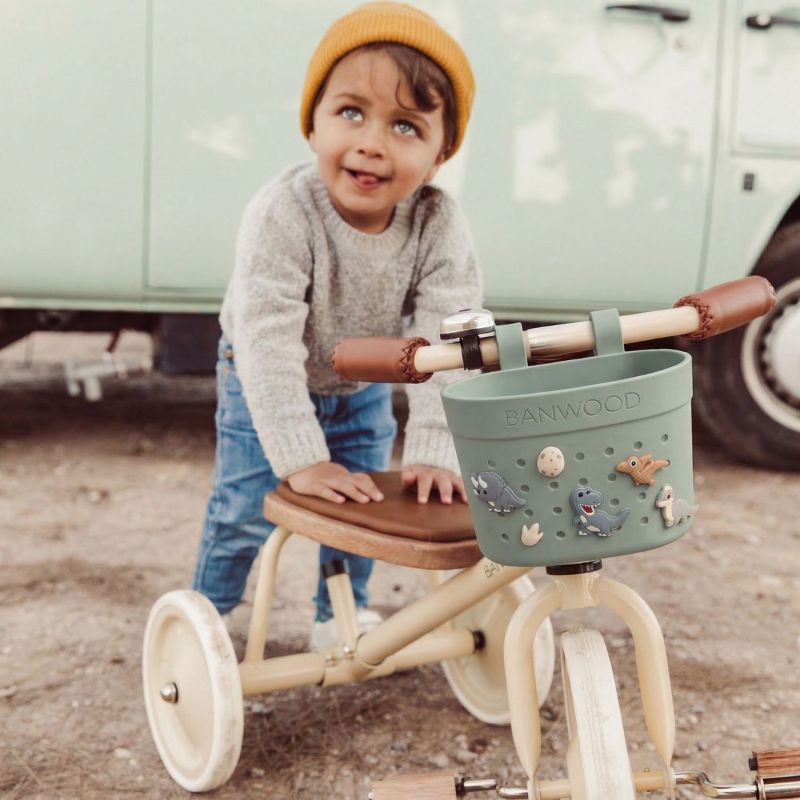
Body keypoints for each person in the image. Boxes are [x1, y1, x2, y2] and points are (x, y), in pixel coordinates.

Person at [192, 1, 481, 649]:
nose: (371, 143)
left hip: (362, 381)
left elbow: (450, 337)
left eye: (406, 126)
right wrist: (300, 459)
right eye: (350, 112)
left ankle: (338, 614)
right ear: (313, 125)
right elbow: (267, 341)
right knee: (245, 509)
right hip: (259, 374)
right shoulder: (284, 212)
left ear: (440, 154)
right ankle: (205, 620)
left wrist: (434, 445)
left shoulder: (438, 222)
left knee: (364, 508)